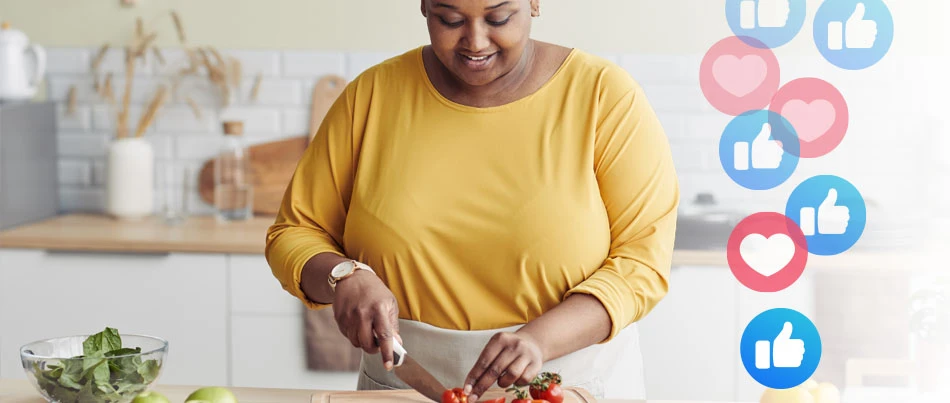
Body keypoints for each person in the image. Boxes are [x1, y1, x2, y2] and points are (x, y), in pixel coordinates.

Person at [265, 0, 679, 400]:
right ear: (424, 5)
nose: (475, 42)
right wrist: (343, 275)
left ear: (534, 3)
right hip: (405, 386)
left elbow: (642, 261)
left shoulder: (604, 96)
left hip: (568, 384)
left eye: (498, 18)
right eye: (449, 20)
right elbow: (295, 232)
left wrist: (540, 340)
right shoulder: (371, 97)